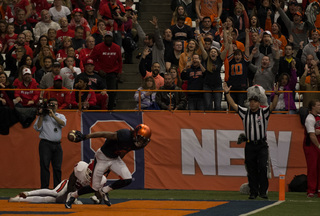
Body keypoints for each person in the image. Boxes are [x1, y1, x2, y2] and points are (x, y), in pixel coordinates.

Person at [64, 124, 152, 208]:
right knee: (94, 187)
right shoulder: (125, 135)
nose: (141, 142)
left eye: (144, 140)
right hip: (102, 157)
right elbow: (104, 134)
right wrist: (86, 136)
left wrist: (116, 163)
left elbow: (124, 150)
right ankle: (72, 195)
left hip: (114, 159)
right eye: (140, 138)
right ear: (135, 133)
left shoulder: (138, 145)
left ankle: (104, 191)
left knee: (127, 179)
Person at [223, 81, 280, 199]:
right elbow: (233, 105)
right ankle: (253, 192)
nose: (252, 104)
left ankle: (263, 191)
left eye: (255, 102)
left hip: (261, 145)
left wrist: (276, 94)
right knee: (251, 169)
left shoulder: (263, 113)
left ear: (259, 103)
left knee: (263, 167)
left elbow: (273, 106)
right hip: (250, 145)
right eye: (251, 102)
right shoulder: (245, 113)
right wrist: (227, 93)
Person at [9, 161, 106, 204]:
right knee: (55, 193)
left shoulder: (101, 179)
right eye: (89, 173)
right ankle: (27, 193)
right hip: (67, 186)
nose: (90, 177)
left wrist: (97, 199)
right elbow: (71, 184)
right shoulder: (80, 168)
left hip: (74, 192)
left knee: (49, 200)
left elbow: (98, 194)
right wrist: (73, 197)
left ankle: (19, 199)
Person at [33, 97, 67, 189]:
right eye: (51, 104)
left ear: (57, 106)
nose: (53, 106)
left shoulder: (60, 116)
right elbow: (37, 128)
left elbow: (63, 124)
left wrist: (53, 116)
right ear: (48, 105)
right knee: (44, 167)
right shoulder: (43, 116)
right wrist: (41, 116)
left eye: (55, 105)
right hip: (45, 144)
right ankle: (44, 188)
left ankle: (57, 189)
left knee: (57, 168)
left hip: (57, 145)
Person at [90, 31, 122, 110]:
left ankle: (110, 109)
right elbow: (92, 59)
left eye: (109, 37)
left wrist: (119, 71)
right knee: (101, 92)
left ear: (112, 38)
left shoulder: (117, 47)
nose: (108, 39)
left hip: (112, 73)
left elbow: (120, 61)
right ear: (104, 38)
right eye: (107, 37)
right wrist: (98, 69)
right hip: (101, 73)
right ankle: (101, 108)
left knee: (112, 92)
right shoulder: (98, 47)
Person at [303, 99, 320, 198]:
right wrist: (318, 146)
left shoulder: (318, 117)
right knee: (312, 168)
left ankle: (318, 189)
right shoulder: (310, 118)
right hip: (311, 145)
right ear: (313, 107)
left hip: (317, 144)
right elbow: (312, 135)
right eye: (318, 105)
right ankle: (311, 190)